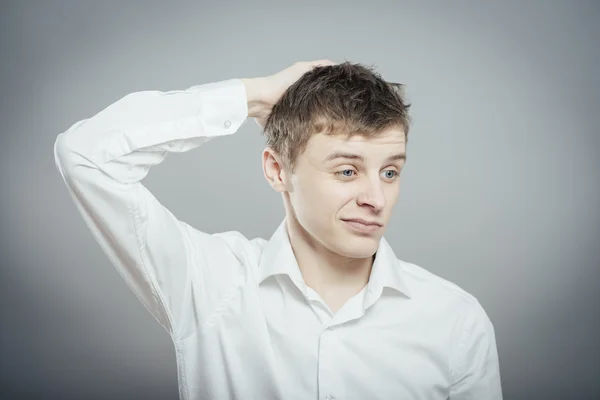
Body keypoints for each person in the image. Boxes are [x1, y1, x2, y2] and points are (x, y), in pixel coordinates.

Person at [53, 60, 503, 399]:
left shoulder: (455, 322)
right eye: (347, 171)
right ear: (277, 170)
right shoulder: (212, 283)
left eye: (389, 172)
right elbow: (85, 154)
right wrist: (252, 96)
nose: (376, 199)